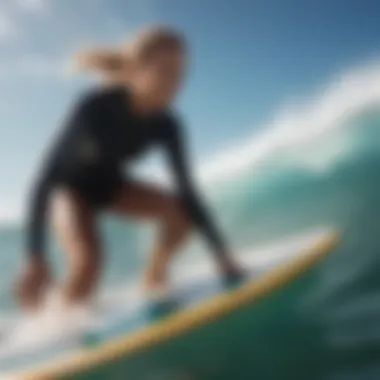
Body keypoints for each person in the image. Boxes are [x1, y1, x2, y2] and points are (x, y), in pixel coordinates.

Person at [17, 26, 243, 311]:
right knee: (89, 261)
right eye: (165, 71)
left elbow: (188, 189)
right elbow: (46, 178)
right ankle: (53, 324)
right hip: (69, 190)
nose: (175, 83)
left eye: (180, 74)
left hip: (111, 187)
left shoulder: (168, 125)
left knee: (180, 213)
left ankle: (154, 276)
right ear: (137, 69)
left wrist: (221, 254)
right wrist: (35, 255)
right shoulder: (95, 107)